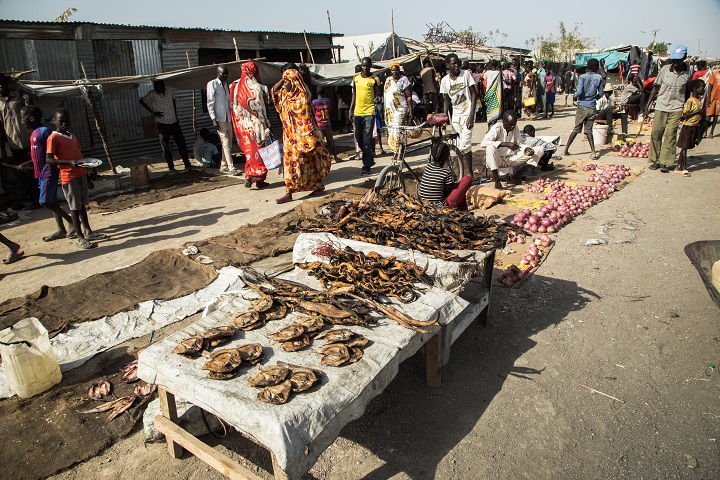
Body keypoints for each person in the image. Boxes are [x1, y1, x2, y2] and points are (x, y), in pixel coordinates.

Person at [46, 108, 108, 249]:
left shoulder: (72, 136)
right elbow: (49, 159)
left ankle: (88, 231)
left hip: (80, 174)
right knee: (74, 207)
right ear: (54, 121)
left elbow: (79, 156)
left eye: (67, 121)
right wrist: (69, 163)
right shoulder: (53, 138)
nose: (64, 124)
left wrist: (87, 172)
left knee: (81, 205)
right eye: (61, 121)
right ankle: (79, 236)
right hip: (69, 176)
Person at [271, 67, 332, 204]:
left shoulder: (302, 98)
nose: (284, 84)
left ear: (294, 82)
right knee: (290, 166)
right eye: (284, 82)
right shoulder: (284, 96)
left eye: (287, 82)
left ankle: (318, 187)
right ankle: (289, 192)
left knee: (309, 164)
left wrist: (307, 139)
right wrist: (284, 77)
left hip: (303, 137)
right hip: (289, 138)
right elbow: (274, 91)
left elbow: (307, 120)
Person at [18, 105, 75, 241]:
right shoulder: (33, 134)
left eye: (22, 118)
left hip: (48, 172)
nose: (21, 121)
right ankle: (61, 229)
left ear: (31, 118)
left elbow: (52, 152)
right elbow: (37, 157)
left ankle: (71, 221)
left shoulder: (44, 132)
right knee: (52, 200)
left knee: (45, 202)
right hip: (40, 173)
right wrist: (25, 165)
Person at [645, 45, 690, 172]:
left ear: (684, 58)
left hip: (677, 107)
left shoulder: (688, 72)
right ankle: (655, 160)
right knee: (656, 133)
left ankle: (665, 162)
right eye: (674, 60)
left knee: (671, 135)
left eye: (678, 60)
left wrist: (686, 108)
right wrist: (647, 106)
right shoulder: (665, 70)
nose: (675, 63)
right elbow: (655, 87)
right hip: (661, 105)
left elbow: (687, 91)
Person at [229, 61, 272, 188]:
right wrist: (266, 125)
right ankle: (259, 178)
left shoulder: (234, 86)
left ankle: (248, 175)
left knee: (249, 152)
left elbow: (232, 107)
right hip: (256, 126)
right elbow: (260, 110)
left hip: (242, 125)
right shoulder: (256, 87)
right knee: (259, 152)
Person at [139, 80, 192, 171]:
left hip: (173, 121)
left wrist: (176, 115)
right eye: (155, 88)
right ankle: (171, 167)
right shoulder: (152, 94)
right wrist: (152, 112)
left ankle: (187, 164)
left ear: (162, 86)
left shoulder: (170, 90)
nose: (156, 90)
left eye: (158, 88)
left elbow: (174, 101)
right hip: (162, 123)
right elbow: (142, 101)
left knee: (181, 143)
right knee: (165, 146)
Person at [481, 110, 542, 189]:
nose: (512, 127)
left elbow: (520, 143)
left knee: (539, 150)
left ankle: (517, 176)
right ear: (504, 122)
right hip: (498, 160)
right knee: (490, 148)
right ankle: (497, 181)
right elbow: (484, 143)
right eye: (510, 125)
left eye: (514, 124)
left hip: (511, 159)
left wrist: (526, 149)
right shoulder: (497, 127)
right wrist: (505, 144)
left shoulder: (515, 128)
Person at [0, 80, 38, 208]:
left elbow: (31, 109)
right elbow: (0, 128)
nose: (1, 86)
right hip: (13, 143)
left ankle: (32, 199)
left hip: (27, 139)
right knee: (22, 172)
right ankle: (29, 198)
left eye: (2, 83)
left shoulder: (18, 97)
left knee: (31, 170)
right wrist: (3, 149)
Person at [440, 53, 477, 176]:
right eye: (454, 63)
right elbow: (446, 100)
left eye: (458, 63)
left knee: (464, 143)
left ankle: (468, 173)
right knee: (460, 145)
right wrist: (444, 117)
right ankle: (463, 173)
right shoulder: (444, 81)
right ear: (447, 65)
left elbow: (474, 94)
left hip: (468, 113)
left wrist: (472, 114)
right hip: (456, 116)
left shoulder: (466, 75)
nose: (457, 65)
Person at [563, 58, 604, 160]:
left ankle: (566, 149)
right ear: (595, 67)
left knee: (576, 129)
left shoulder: (582, 77)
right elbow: (602, 93)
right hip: (591, 106)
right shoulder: (599, 77)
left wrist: (575, 96)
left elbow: (580, 91)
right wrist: (595, 98)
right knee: (589, 130)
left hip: (581, 106)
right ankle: (593, 152)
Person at [350, 57, 382, 175]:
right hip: (358, 112)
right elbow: (354, 95)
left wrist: (378, 99)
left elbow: (378, 95)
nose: (365, 68)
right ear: (361, 65)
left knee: (367, 139)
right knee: (359, 138)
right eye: (363, 66)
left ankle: (366, 165)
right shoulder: (356, 78)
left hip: (369, 112)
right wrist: (351, 110)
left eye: (367, 66)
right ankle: (369, 158)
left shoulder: (375, 79)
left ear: (370, 66)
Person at [417, 142, 472, 210]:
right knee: (467, 179)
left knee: (461, 194)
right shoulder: (445, 172)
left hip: (423, 202)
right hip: (439, 206)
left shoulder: (428, 167)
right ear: (447, 156)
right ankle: (463, 211)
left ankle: (463, 211)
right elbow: (446, 193)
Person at [207, 65, 236, 175]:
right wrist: (213, 119)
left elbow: (228, 102)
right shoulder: (212, 84)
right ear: (217, 73)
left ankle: (223, 165)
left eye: (226, 74)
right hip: (219, 118)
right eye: (222, 74)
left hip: (227, 117)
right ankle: (231, 167)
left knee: (229, 143)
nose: (224, 76)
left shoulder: (225, 85)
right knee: (226, 142)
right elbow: (210, 103)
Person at [675, 79, 706, 177]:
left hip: (694, 126)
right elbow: (684, 116)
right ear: (695, 89)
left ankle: (679, 166)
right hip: (687, 126)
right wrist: (697, 112)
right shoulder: (690, 101)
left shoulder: (699, 100)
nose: (704, 90)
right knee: (684, 148)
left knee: (686, 146)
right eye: (702, 88)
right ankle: (685, 168)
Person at [383, 62, 413, 153]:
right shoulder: (388, 80)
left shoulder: (404, 80)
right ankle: (398, 149)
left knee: (397, 130)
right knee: (392, 129)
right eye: (392, 70)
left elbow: (408, 96)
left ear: (399, 70)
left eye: (396, 70)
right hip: (390, 111)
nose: (394, 72)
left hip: (401, 109)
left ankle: (398, 151)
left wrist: (411, 110)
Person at [312, 87, 340, 163]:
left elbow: (312, 112)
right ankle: (335, 157)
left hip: (319, 124)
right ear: (324, 93)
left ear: (317, 93)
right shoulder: (327, 101)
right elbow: (330, 110)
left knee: (321, 143)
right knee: (331, 140)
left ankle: (324, 159)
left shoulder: (314, 102)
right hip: (327, 123)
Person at [483, 59, 503, 127]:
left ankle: (489, 127)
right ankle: (493, 125)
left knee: (489, 109)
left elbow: (483, 77)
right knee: (495, 109)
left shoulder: (487, 72)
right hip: (496, 94)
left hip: (489, 92)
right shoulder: (499, 73)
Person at [705, 67, 720, 138]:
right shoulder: (715, 74)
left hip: (719, 101)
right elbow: (709, 87)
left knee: (716, 116)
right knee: (708, 116)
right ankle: (705, 131)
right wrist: (708, 98)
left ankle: (711, 132)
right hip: (713, 99)